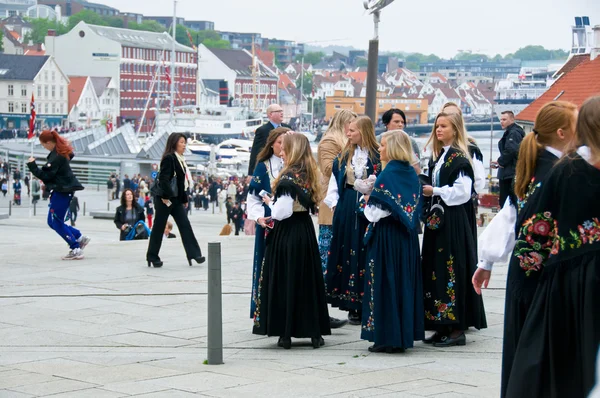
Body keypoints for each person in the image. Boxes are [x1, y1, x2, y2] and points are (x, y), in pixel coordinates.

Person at [472, 101, 578, 397]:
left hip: (528, 274)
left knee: (527, 356)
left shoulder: (541, 164)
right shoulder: (558, 171)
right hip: (539, 278)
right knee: (537, 359)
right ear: (561, 132)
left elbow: (510, 213)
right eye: (577, 123)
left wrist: (487, 261)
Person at [504, 96, 600, 398]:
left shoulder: (565, 168)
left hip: (574, 281)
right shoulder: (566, 169)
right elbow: (536, 231)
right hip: (578, 282)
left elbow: (535, 233)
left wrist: (525, 282)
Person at [252, 133, 331, 349]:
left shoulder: (287, 178)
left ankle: (285, 332)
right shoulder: (307, 173)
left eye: (284, 148)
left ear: (293, 150)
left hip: (288, 233)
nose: (281, 152)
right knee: (306, 280)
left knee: (286, 279)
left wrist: (270, 202)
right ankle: (314, 332)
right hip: (304, 231)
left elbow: (282, 212)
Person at [421, 112, 487, 347]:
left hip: (453, 220)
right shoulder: (440, 157)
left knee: (452, 267)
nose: (439, 130)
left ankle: (457, 327)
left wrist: (435, 191)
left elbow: (462, 192)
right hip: (439, 220)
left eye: (444, 126)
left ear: (455, 129)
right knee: (436, 268)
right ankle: (442, 323)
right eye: (437, 126)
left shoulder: (459, 158)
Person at [361, 130, 424, 353]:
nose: (380, 148)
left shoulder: (388, 175)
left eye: (383, 144)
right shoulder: (409, 173)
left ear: (394, 147)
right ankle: (402, 335)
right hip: (406, 240)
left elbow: (375, 213)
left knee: (385, 284)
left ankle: (387, 337)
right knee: (402, 284)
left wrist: (366, 198)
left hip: (387, 238)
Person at [325, 116, 382, 325]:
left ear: (364, 131)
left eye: (352, 131)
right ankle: (351, 304)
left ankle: (368, 299)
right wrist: (334, 202)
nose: (348, 134)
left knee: (365, 249)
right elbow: (335, 180)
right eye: (348, 130)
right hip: (348, 204)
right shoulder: (344, 155)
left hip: (370, 204)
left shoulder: (377, 155)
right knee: (347, 249)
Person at [317, 110, 357, 329]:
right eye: (351, 124)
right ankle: (321, 306)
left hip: (344, 206)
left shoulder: (345, 141)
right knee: (327, 258)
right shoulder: (330, 141)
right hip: (330, 208)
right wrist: (350, 159)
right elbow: (326, 168)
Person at [27, 130, 90, 260]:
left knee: (56, 222)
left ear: (49, 142)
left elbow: (46, 175)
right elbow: (70, 155)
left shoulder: (56, 156)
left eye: (44, 145)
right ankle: (79, 237)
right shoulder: (60, 152)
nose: (44, 147)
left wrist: (32, 165)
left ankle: (75, 248)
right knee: (52, 221)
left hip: (62, 191)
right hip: (61, 190)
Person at [146, 133, 205, 268]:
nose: (184, 145)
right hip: (164, 199)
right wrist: (170, 196)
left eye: (185, 142)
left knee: (185, 225)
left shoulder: (180, 159)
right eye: (182, 142)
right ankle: (152, 256)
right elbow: (164, 180)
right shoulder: (169, 158)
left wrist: (183, 198)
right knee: (159, 227)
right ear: (174, 143)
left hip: (175, 200)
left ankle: (194, 254)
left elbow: (180, 182)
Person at [246, 127, 287, 318]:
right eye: (280, 142)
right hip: (269, 224)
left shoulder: (298, 165)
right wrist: (258, 217)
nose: (283, 146)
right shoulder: (263, 167)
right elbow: (253, 198)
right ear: (272, 144)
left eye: (286, 142)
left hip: (291, 223)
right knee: (266, 265)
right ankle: (265, 310)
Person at [492, 111, 525, 208]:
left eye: (504, 119)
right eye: (501, 120)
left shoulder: (513, 133)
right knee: (509, 203)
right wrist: (499, 162)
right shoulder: (511, 132)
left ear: (512, 120)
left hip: (510, 174)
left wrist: (501, 161)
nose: (501, 122)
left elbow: (511, 150)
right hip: (509, 172)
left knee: (507, 204)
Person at [248, 104, 291, 175]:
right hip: (269, 166)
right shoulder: (262, 130)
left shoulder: (288, 128)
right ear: (270, 114)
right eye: (278, 111)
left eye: (282, 111)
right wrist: (251, 173)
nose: (282, 113)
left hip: (286, 165)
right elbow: (255, 152)